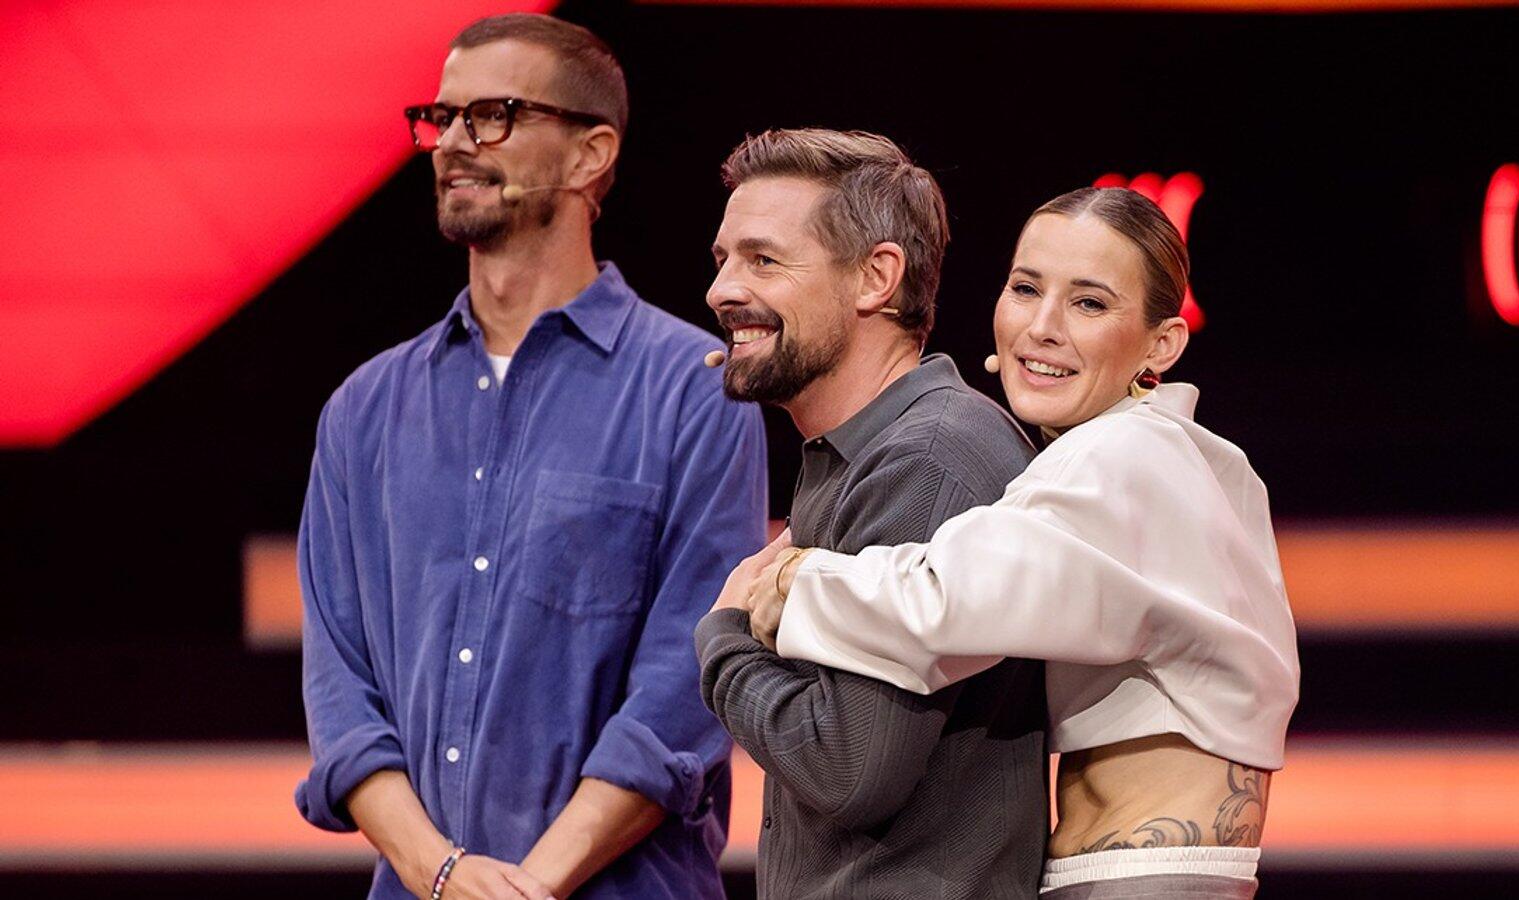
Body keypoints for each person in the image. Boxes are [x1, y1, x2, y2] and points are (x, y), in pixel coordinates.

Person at [295, 13, 767, 899]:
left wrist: (524, 889)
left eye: (493, 115)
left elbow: (685, 687)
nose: (453, 144)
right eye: (442, 118)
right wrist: (442, 876)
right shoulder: (365, 409)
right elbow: (341, 693)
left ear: (591, 155)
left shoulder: (695, 391)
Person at [730, 187, 1300, 898]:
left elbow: (942, 606)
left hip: (1139, 880)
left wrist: (787, 582)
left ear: (1163, 344)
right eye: (1026, 289)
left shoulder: (1119, 457)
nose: (1042, 327)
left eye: (1089, 303)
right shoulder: (1181, 455)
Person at [696, 128, 1049, 898]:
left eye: (762, 260)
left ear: (875, 277)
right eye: (722, 259)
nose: (721, 290)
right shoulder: (859, 453)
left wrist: (722, 640)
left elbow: (848, 768)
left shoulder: (929, 460)